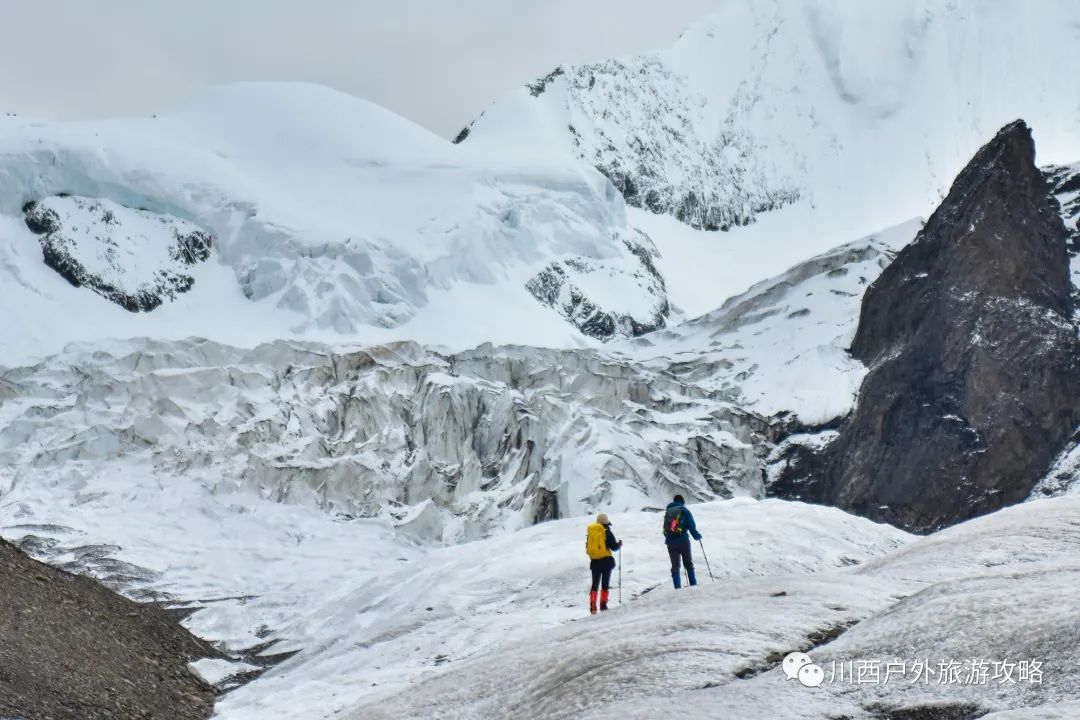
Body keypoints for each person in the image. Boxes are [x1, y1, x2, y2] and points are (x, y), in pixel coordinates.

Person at [584, 512, 622, 614]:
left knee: (595, 584)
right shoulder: (607, 532)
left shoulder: (591, 532)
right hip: (606, 561)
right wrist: (619, 545)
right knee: (605, 584)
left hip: (595, 562)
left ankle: (592, 607)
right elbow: (614, 547)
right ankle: (603, 605)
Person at [663, 494, 702, 588]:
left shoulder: (668, 512)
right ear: (682, 502)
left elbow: (665, 529)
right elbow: (691, 526)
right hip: (683, 540)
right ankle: (693, 585)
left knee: (675, 565)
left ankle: (677, 587)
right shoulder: (684, 510)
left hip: (670, 542)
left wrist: (670, 537)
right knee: (688, 562)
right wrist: (697, 536)